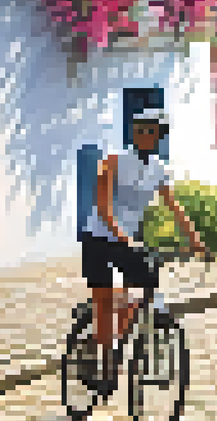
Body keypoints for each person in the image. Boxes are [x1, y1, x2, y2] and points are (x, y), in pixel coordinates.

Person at [78, 109, 203, 388]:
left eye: (150, 131)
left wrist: (194, 239)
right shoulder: (112, 161)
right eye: (139, 130)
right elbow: (103, 207)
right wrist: (121, 235)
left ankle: (118, 343)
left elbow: (173, 206)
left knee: (143, 291)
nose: (144, 135)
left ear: (160, 136)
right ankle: (104, 361)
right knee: (104, 300)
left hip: (128, 241)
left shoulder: (159, 169)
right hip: (98, 238)